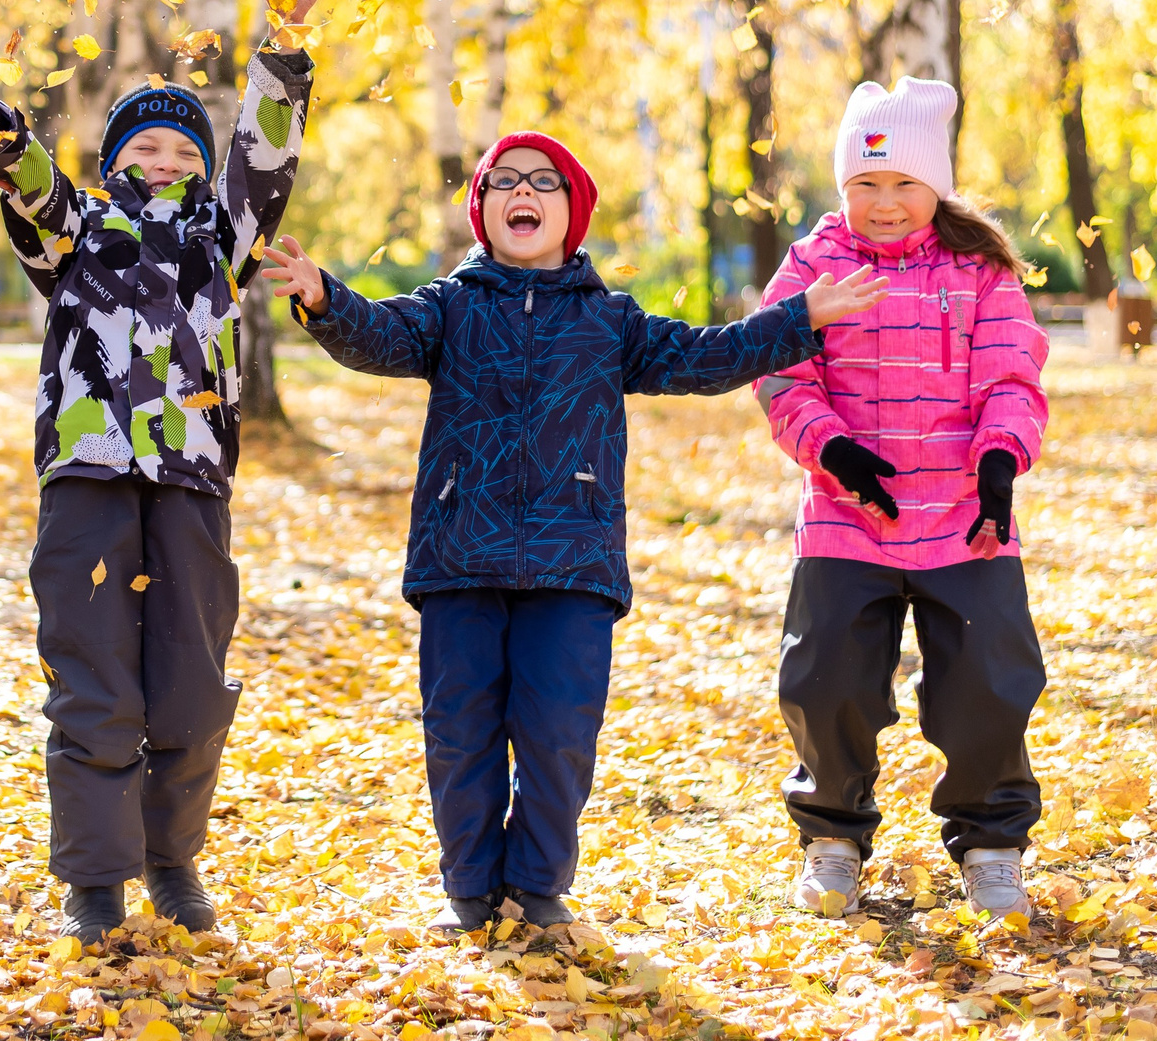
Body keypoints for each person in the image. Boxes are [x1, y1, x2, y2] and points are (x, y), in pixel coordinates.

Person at [262, 131, 885, 933]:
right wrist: (322, 297)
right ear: (483, 210)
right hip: (461, 555)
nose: (524, 192)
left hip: (574, 558)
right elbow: (379, 335)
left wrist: (797, 317)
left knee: (559, 733)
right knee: (461, 732)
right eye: (505, 181)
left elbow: (707, 355)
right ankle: (470, 890)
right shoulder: (450, 305)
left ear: (573, 211)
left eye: (544, 182)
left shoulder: (609, 319)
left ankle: (537, 887)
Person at [0, 0, 350, 947]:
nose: (162, 156)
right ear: (112, 162)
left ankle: (171, 858)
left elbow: (263, 153)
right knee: (93, 676)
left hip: (191, 483)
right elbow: (28, 181)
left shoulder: (220, 236)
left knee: (190, 687)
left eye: (180, 145)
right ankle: (96, 878)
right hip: (89, 477)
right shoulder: (75, 230)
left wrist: (283, 35)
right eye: (142, 144)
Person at [755, 77, 1051, 920]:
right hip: (851, 517)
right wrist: (832, 447)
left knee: (990, 684)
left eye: (903, 184)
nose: (884, 203)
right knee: (825, 683)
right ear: (844, 185)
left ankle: (993, 844)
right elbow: (782, 368)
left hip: (967, 522)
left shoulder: (980, 270)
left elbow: (1011, 376)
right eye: (865, 184)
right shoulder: (814, 264)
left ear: (936, 186)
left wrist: (1000, 462)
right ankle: (833, 838)